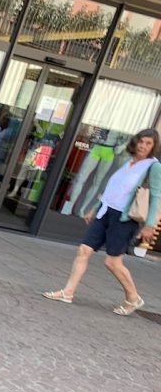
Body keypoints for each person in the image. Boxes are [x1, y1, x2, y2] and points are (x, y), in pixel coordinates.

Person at [42, 128, 160, 315]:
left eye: (148, 143)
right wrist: (96, 208)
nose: (143, 146)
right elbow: (112, 189)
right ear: (135, 141)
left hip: (124, 219)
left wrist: (150, 225)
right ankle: (67, 292)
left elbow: (156, 196)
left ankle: (133, 298)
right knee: (83, 250)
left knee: (112, 262)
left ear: (153, 147)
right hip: (105, 212)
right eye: (141, 141)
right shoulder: (128, 162)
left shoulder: (153, 166)